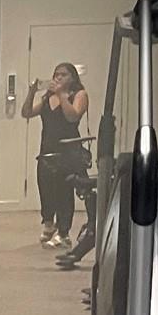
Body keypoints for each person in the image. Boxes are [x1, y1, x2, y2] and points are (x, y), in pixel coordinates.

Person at [23, 61, 90, 246]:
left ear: (73, 78)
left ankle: (64, 231)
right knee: (45, 186)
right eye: (56, 74)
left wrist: (62, 95)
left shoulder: (79, 95)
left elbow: (72, 116)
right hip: (47, 148)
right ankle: (48, 222)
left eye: (63, 74)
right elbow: (27, 112)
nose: (59, 78)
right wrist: (31, 92)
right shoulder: (47, 98)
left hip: (68, 149)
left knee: (64, 190)